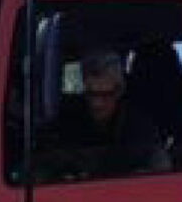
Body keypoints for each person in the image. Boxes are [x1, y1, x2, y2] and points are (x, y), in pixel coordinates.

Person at [41, 48, 168, 178]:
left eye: (105, 95)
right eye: (91, 94)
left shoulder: (140, 129)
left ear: (119, 91)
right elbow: (47, 164)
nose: (97, 104)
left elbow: (160, 171)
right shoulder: (67, 124)